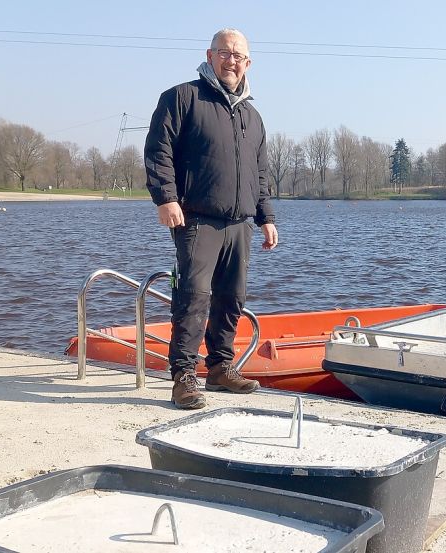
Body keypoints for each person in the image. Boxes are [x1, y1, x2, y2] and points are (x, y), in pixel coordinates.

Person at [145, 28, 278, 409]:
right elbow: (158, 150)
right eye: (224, 53)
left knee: (231, 297)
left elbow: (260, 173)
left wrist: (265, 216)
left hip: (239, 223)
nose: (231, 61)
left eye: (238, 56)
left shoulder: (253, 117)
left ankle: (220, 368)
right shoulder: (182, 97)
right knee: (192, 298)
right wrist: (166, 198)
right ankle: (183, 377)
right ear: (210, 54)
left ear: (248, 63)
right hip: (197, 219)